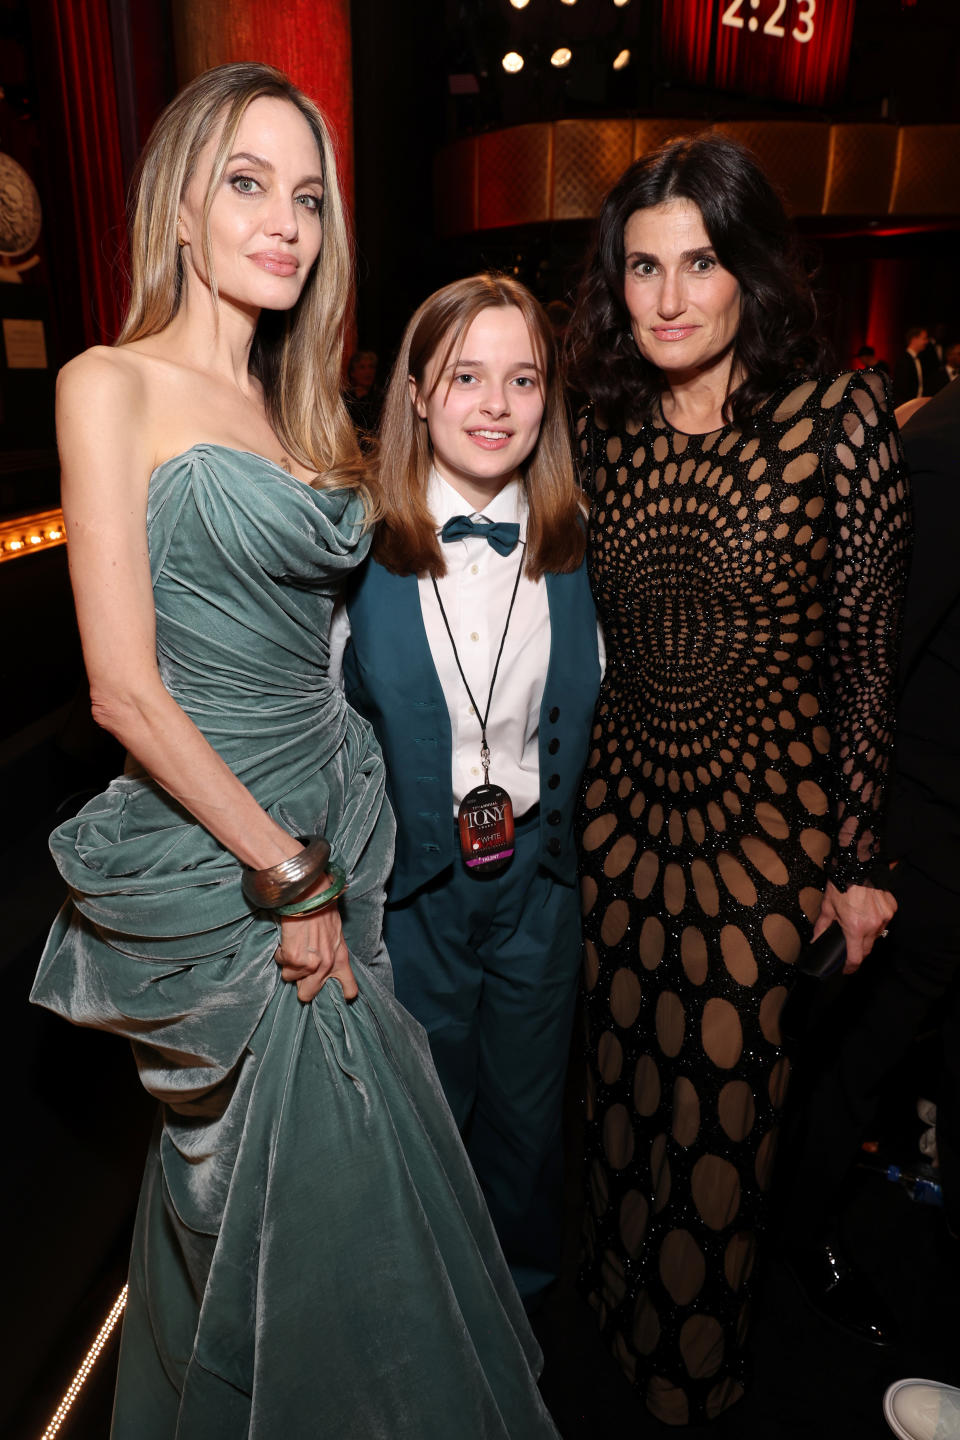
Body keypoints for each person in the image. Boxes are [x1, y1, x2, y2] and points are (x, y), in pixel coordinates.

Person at [30, 63, 559, 1440]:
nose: (286, 221)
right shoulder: (108, 384)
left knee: (274, 1219)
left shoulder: (297, 411)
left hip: (339, 828)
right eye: (248, 184)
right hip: (246, 865)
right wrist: (287, 871)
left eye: (308, 196)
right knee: (319, 1218)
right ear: (181, 210)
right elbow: (124, 692)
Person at [565, 133, 910, 1426]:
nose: (666, 297)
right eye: (642, 266)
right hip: (618, 830)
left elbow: (871, 655)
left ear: (748, 271)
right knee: (619, 1115)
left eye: (697, 263)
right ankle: (614, 1324)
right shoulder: (602, 431)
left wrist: (862, 862)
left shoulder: (835, 419)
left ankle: (690, 1387)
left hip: (764, 842)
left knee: (721, 1130)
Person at [343, 274, 602, 1309]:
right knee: (424, 1123)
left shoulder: (579, 534)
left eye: (523, 378)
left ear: (549, 399)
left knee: (531, 1124)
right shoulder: (351, 545)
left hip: (540, 881)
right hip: (413, 895)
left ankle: (522, 1320)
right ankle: (432, 1330)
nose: (496, 405)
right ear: (415, 391)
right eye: (466, 377)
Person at [785, 377, 960, 1331]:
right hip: (920, 829)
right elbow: (866, 663)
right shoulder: (943, 447)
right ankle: (798, 1226)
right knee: (857, 1049)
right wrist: (850, 855)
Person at [892, 325, 931, 407]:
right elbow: (900, 388)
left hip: (918, 405)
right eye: (924, 338)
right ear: (914, 340)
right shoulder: (903, 360)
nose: (927, 342)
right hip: (907, 406)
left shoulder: (921, 359)